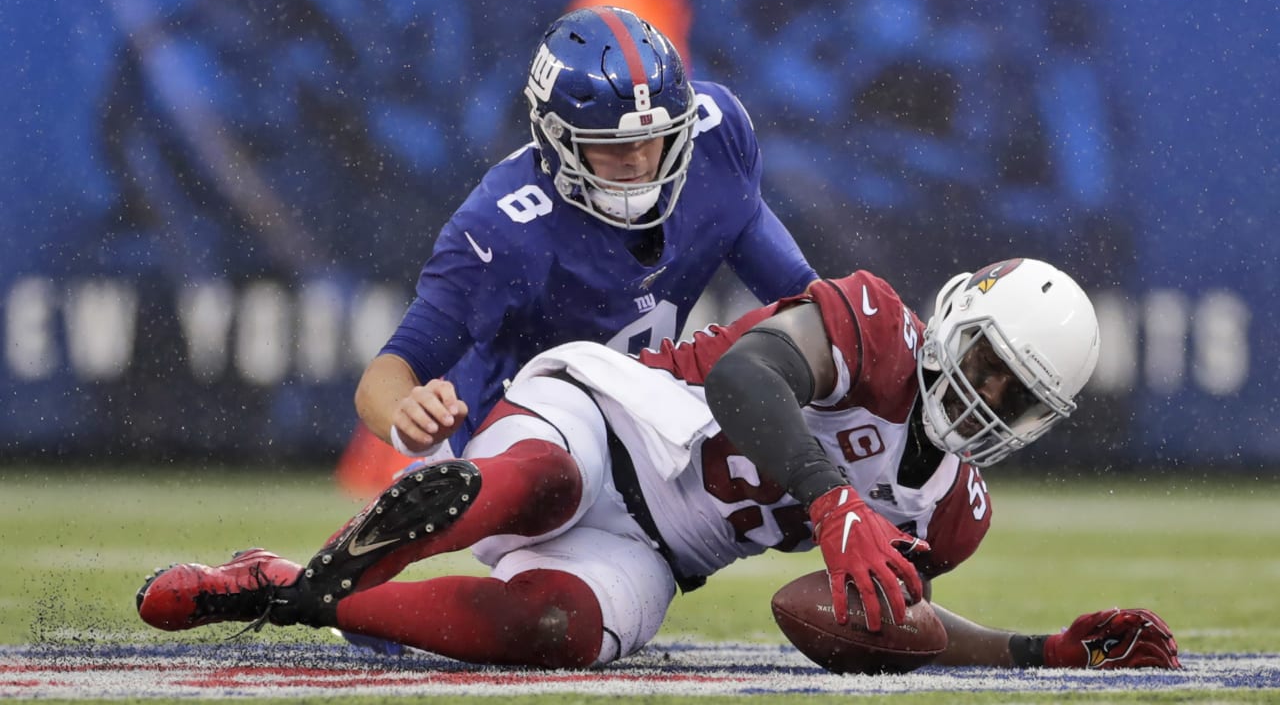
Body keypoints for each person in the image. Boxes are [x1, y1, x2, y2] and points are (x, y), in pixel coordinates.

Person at [137, 257, 1180, 670]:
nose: (987, 399)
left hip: (664, 556)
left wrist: (1035, 649)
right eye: (992, 368)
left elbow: (860, 614)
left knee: (555, 632)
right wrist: (828, 503)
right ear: (959, 323)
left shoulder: (954, 512)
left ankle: (291, 588)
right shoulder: (871, 327)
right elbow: (746, 381)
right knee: (529, 482)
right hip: (622, 417)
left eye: (1018, 399)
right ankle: (361, 549)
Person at [345, 4, 816, 490]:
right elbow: (388, 373)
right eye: (611, 144)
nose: (636, 160)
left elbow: (803, 299)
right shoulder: (503, 225)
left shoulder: (715, 141)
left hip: (647, 427)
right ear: (555, 138)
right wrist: (409, 419)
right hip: (520, 451)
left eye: (651, 138)